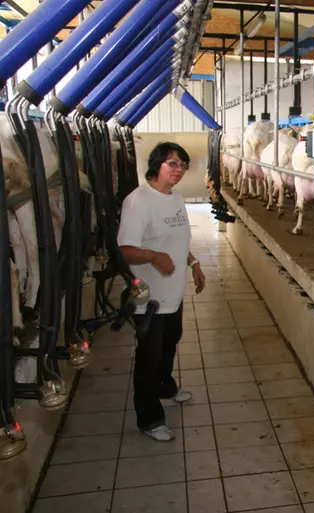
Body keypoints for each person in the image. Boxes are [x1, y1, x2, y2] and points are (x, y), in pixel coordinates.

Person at [117, 142, 206, 442]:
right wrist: (154, 257)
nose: (178, 170)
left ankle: (165, 386)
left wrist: (193, 263)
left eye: (183, 165)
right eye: (172, 164)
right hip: (149, 299)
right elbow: (124, 250)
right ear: (156, 165)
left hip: (174, 294)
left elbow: (178, 241)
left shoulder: (176, 198)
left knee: (169, 345)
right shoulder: (138, 201)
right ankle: (149, 418)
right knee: (149, 358)